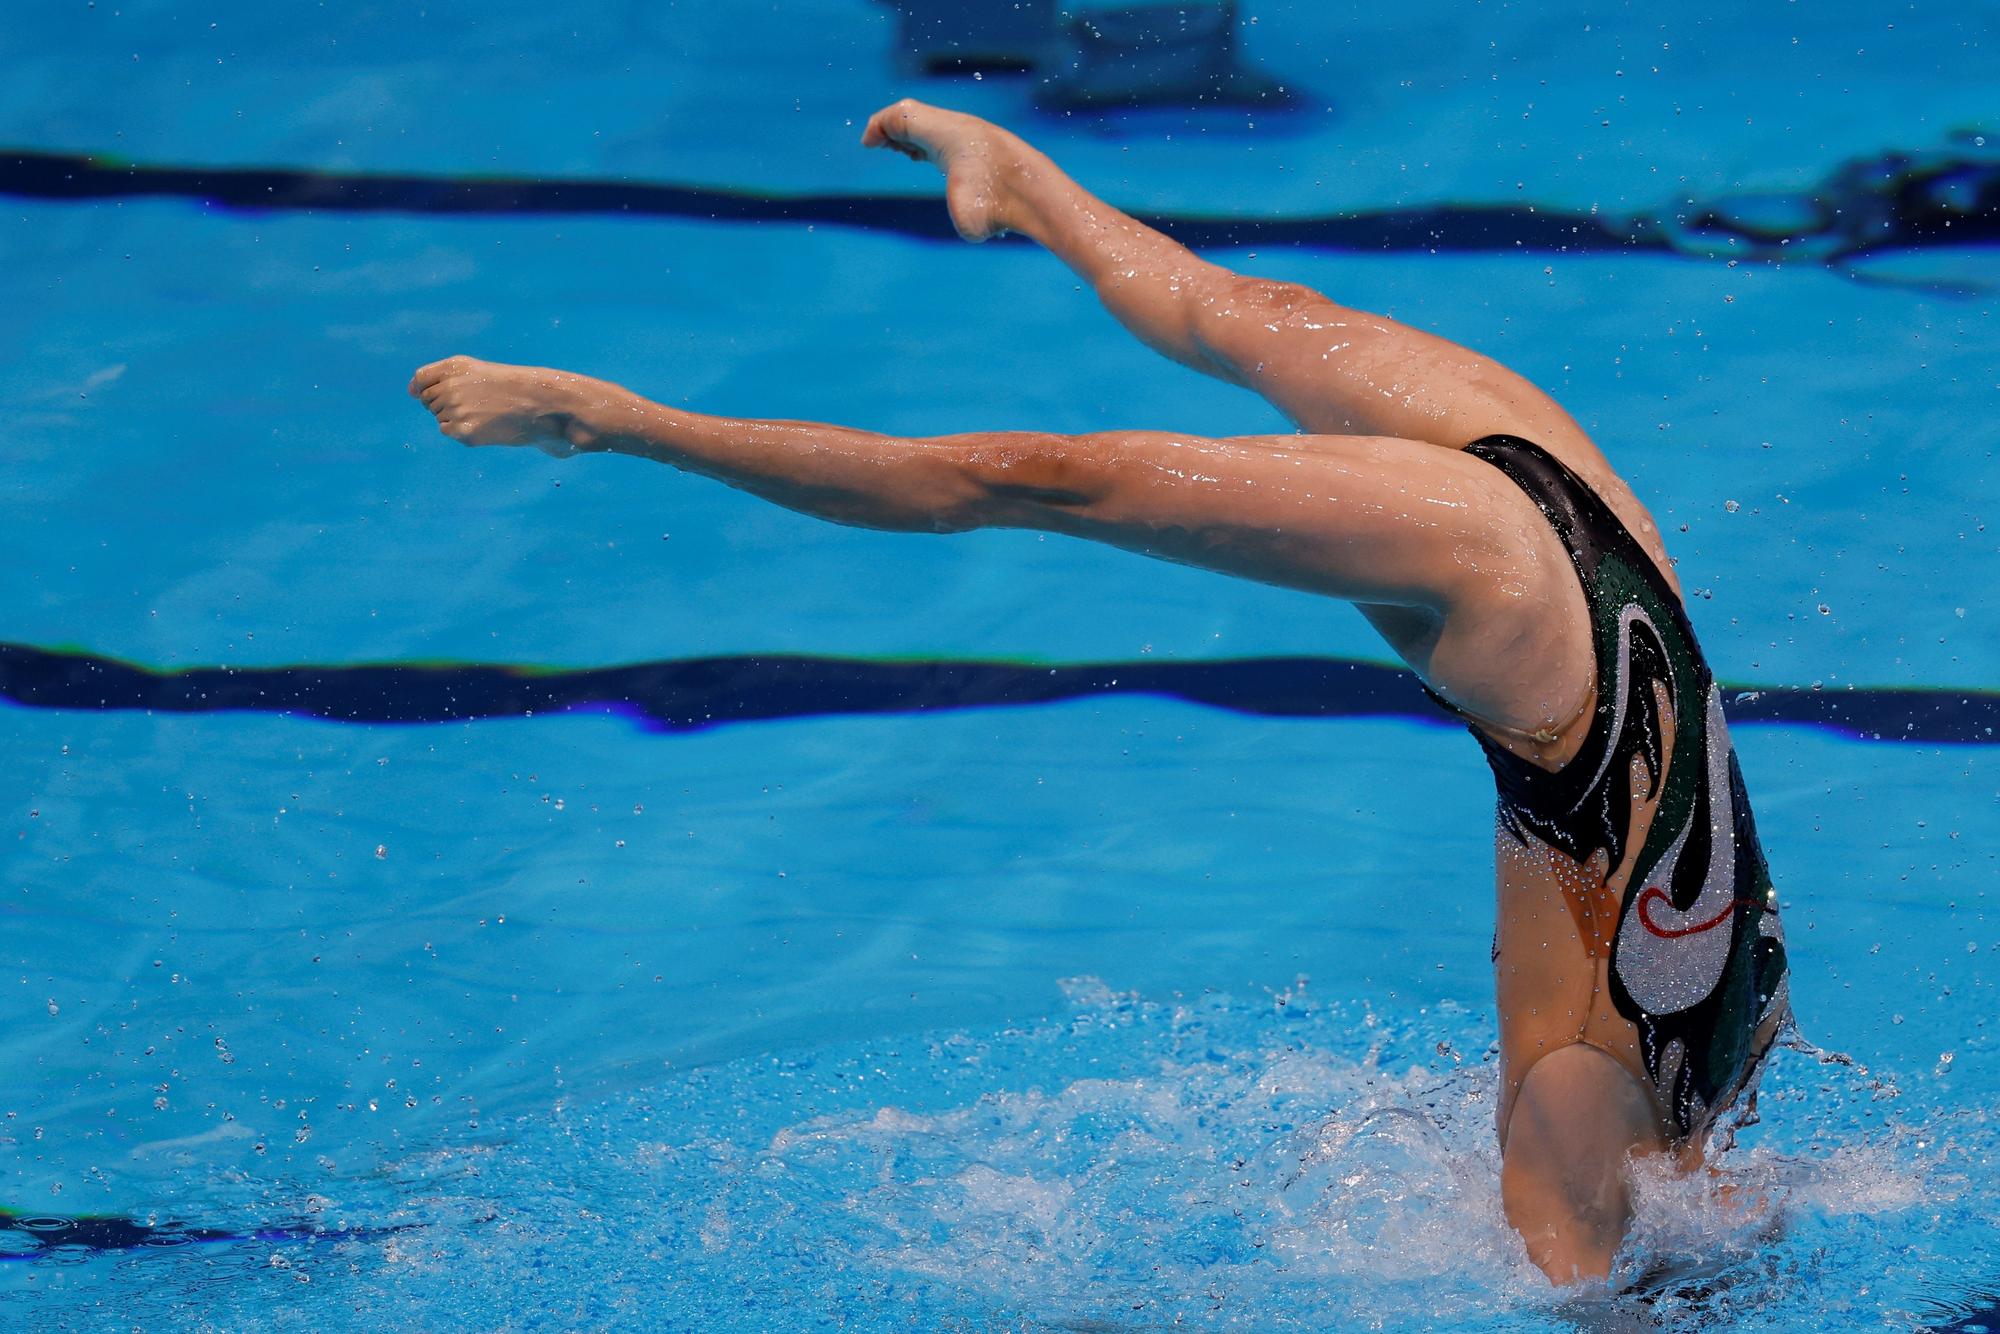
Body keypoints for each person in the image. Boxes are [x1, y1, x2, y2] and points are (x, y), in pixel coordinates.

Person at [409, 99, 1791, 1283]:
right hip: (1637, 831)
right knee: (1211, 358)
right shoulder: (1504, 498)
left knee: (1217, 350)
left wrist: (633, 424)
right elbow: (1143, 372)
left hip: (1609, 726)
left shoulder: (1581, 1091)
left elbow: (1036, 459)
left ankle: (1000, 207)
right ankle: (1004, 194)